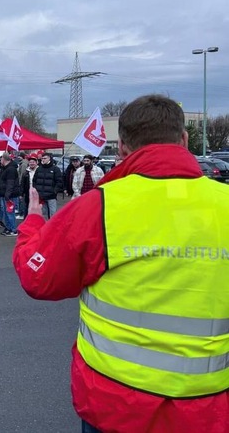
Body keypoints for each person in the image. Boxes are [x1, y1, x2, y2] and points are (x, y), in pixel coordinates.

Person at [12, 94, 229, 433]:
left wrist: (32, 224)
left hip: (115, 405)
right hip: (209, 408)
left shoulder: (99, 207)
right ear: (185, 140)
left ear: (123, 147)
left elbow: (38, 278)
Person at [33, 152, 64, 219]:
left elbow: (59, 182)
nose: (43, 160)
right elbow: (34, 181)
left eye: (45, 158)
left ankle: (52, 228)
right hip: (41, 196)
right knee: (44, 214)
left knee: (53, 214)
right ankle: (45, 228)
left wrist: (54, 191)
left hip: (51, 196)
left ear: (49, 159)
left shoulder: (55, 169)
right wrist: (36, 190)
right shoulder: (39, 169)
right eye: (42, 158)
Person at [0, 152, 21, 237]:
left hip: (9, 195)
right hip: (5, 194)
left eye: (1, 159)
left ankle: (13, 229)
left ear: (4, 159)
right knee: (7, 213)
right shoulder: (6, 168)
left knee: (10, 212)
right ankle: (8, 228)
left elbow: (10, 183)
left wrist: (7, 195)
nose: (0, 161)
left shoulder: (11, 169)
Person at [20, 154, 39, 220]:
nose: (32, 163)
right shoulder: (26, 172)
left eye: (33, 162)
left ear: (36, 163)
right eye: (30, 162)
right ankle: (26, 221)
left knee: (36, 208)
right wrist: (21, 194)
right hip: (28, 192)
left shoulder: (39, 171)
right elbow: (22, 183)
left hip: (37, 193)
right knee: (27, 207)